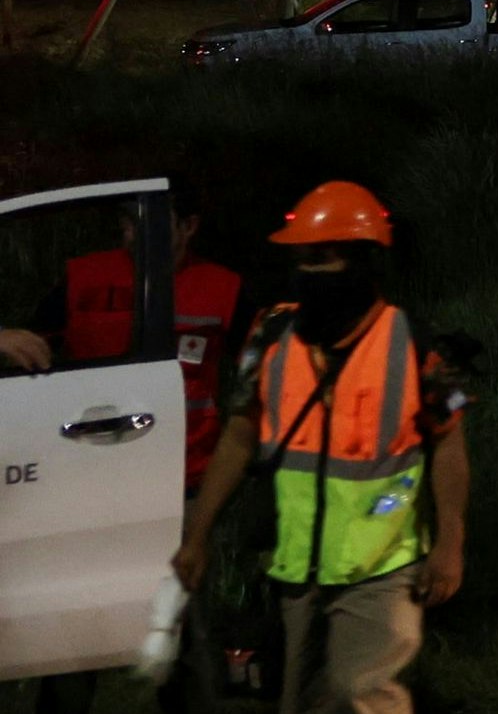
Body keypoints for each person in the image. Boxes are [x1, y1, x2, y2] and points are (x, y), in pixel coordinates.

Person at [170, 182, 469, 714]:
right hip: (298, 565)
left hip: (383, 565)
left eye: (323, 258)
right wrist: (198, 535)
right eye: (302, 257)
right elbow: (240, 434)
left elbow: (448, 447)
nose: (308, 271)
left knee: (364, 691)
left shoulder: (416, 345)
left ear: (364, 262)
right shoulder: (272, 333)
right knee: (304, 703)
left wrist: (450, 543)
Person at [0, 181, 248, 714]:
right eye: (126, 223)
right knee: (73, 630)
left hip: (179, 482)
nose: (131, 233)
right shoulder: (83, 276)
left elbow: (268, 375)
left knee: (180, 628)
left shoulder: (226, 288)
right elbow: (26, 345)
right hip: (84, 479)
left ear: (189, 225)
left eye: (143, 223)